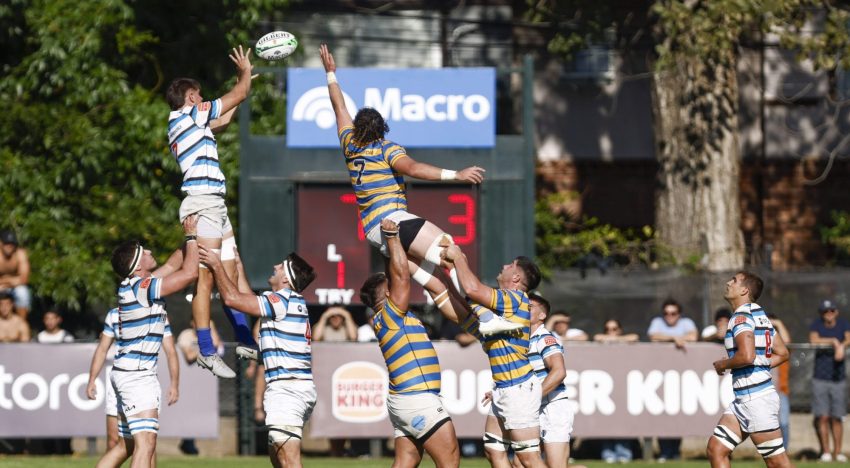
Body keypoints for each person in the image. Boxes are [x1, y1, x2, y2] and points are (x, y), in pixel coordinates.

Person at [318, 44, 519, 338]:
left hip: (376, 232)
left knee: (436, 284)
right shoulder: (386, 149)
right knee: (450, 250)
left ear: (358, 128)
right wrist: (456, 174)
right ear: (382, 130)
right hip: (395, 220)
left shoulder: (349, 144)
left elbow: (339, 107)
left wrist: (331, 74)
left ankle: (476, 330)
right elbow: (413, 168)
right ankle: (485, 315)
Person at [166, 45, 255, 378]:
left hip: (214, 204)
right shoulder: (190, 114)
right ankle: (206, 350)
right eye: (199, 95)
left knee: (228, 277)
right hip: (203, 202)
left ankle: (245, 339)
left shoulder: (187, 122)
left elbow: (228, 113)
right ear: (191, 97)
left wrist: (242, 86)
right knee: (205, 281)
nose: (202, 99)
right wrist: (244, 75)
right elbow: (238, 94)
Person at [198, 244, 317, 468]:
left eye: (281, 266)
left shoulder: (282, 301)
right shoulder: (288, 301)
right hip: (294, 387)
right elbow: (247, 298)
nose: (275, 266)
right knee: (278, 457)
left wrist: (216, 265)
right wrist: (239, 271)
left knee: (289, 462)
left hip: (287, 390)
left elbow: (233, 299)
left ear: (287, 280)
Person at [96, 215, 198, 468]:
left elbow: (175, 263)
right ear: (137, 267)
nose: (150, 251)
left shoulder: (137, 284)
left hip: (126, 373)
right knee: (146, 446)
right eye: (144, 252)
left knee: (126, 446)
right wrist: (193, 238)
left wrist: (194, 232)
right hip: (137, 376)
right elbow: (188, 274)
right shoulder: (143, 287)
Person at [359, 218, 460, 468]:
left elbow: (396, 273)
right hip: (418, 400)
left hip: (404, 400)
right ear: (387, 295)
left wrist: (386, 248)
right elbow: (402, 276)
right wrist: (393, 238)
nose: (396, 284)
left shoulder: (390, 316)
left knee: (407, 462)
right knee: (450, 461)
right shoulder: (391, 313)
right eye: (390, 286)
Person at [440, 242, 547, 468]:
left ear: (516, 277)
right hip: (504, 387)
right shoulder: (501, 305)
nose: (504, 265)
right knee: (493, 450)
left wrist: (458, 256)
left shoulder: (515, 298)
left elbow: (471, 290)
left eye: (511, 264)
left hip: (518, 388)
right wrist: (448, 267)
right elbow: (466, 298)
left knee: (529, 459)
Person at [706, 271, 792, 468]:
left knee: (777, 463)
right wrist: (759, 363)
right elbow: (783, 353)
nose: (728, 282)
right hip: (745, 400)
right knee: (716, 449)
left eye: (734, 280)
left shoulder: (741, 318)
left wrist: (723, 364)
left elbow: (746, 356)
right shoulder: (759, 315)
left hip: (756, 400)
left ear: (744, 290)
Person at [86, 307, 179, 464]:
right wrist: (92, 379)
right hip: (137, 379)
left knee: (131, 445)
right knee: (143, 442)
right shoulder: (151, 311)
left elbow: (171, 351)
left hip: (121, 377)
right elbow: (102, 348)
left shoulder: (154, 311)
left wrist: (174, 383)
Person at [647, 298, 697, 461]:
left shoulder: (687, 322)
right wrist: (674, 338)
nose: (669, 316)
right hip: (659, 376)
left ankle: (675, 452)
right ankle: (664, 452)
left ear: (679, 314)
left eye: (673, 313)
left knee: (677, 415)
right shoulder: (657, 322)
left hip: (681, 376)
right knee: (662, 415)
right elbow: (653, 336)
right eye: (666, 313)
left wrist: (671, 337)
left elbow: (693, 336)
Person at [175, 319, 226, 455]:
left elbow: (218, 348)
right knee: (189, 411)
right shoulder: (186, 335)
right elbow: (190, 355)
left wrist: (211, 328)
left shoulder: (208, 336)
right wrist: (206, 349)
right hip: (187, 382)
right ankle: (188, 442)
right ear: (192, 322)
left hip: (204, 385)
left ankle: (189, 443)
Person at [808, 299, 850, 463]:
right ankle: (825, 452)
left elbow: (849, 338)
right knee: (822, 416)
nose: (829, 314)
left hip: (838, 378)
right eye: (825, 311)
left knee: (837, 417)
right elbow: (813, 339)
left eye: (832, 311)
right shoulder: (816, 325)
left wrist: (841, 346)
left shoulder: (843, 324)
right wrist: (833, 341)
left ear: (836, 312)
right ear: (821, 313)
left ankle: (837, 452)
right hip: (820, 377)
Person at [768, 313, 792, 452]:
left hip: (781, 390)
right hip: (765, 390)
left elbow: (787, 342)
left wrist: (778, 323)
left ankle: (785, 451)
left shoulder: (781, 348)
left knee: (783, 422)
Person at [0, 230, 31, 319]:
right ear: (1, 243)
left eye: (12, 244)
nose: (9, 246)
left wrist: (4, 281)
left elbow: (24, 279)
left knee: (23, 293)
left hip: (15, 287)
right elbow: (19, 279)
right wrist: (12, 280)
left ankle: (21, 324)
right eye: (7, 243)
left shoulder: (20, 254)